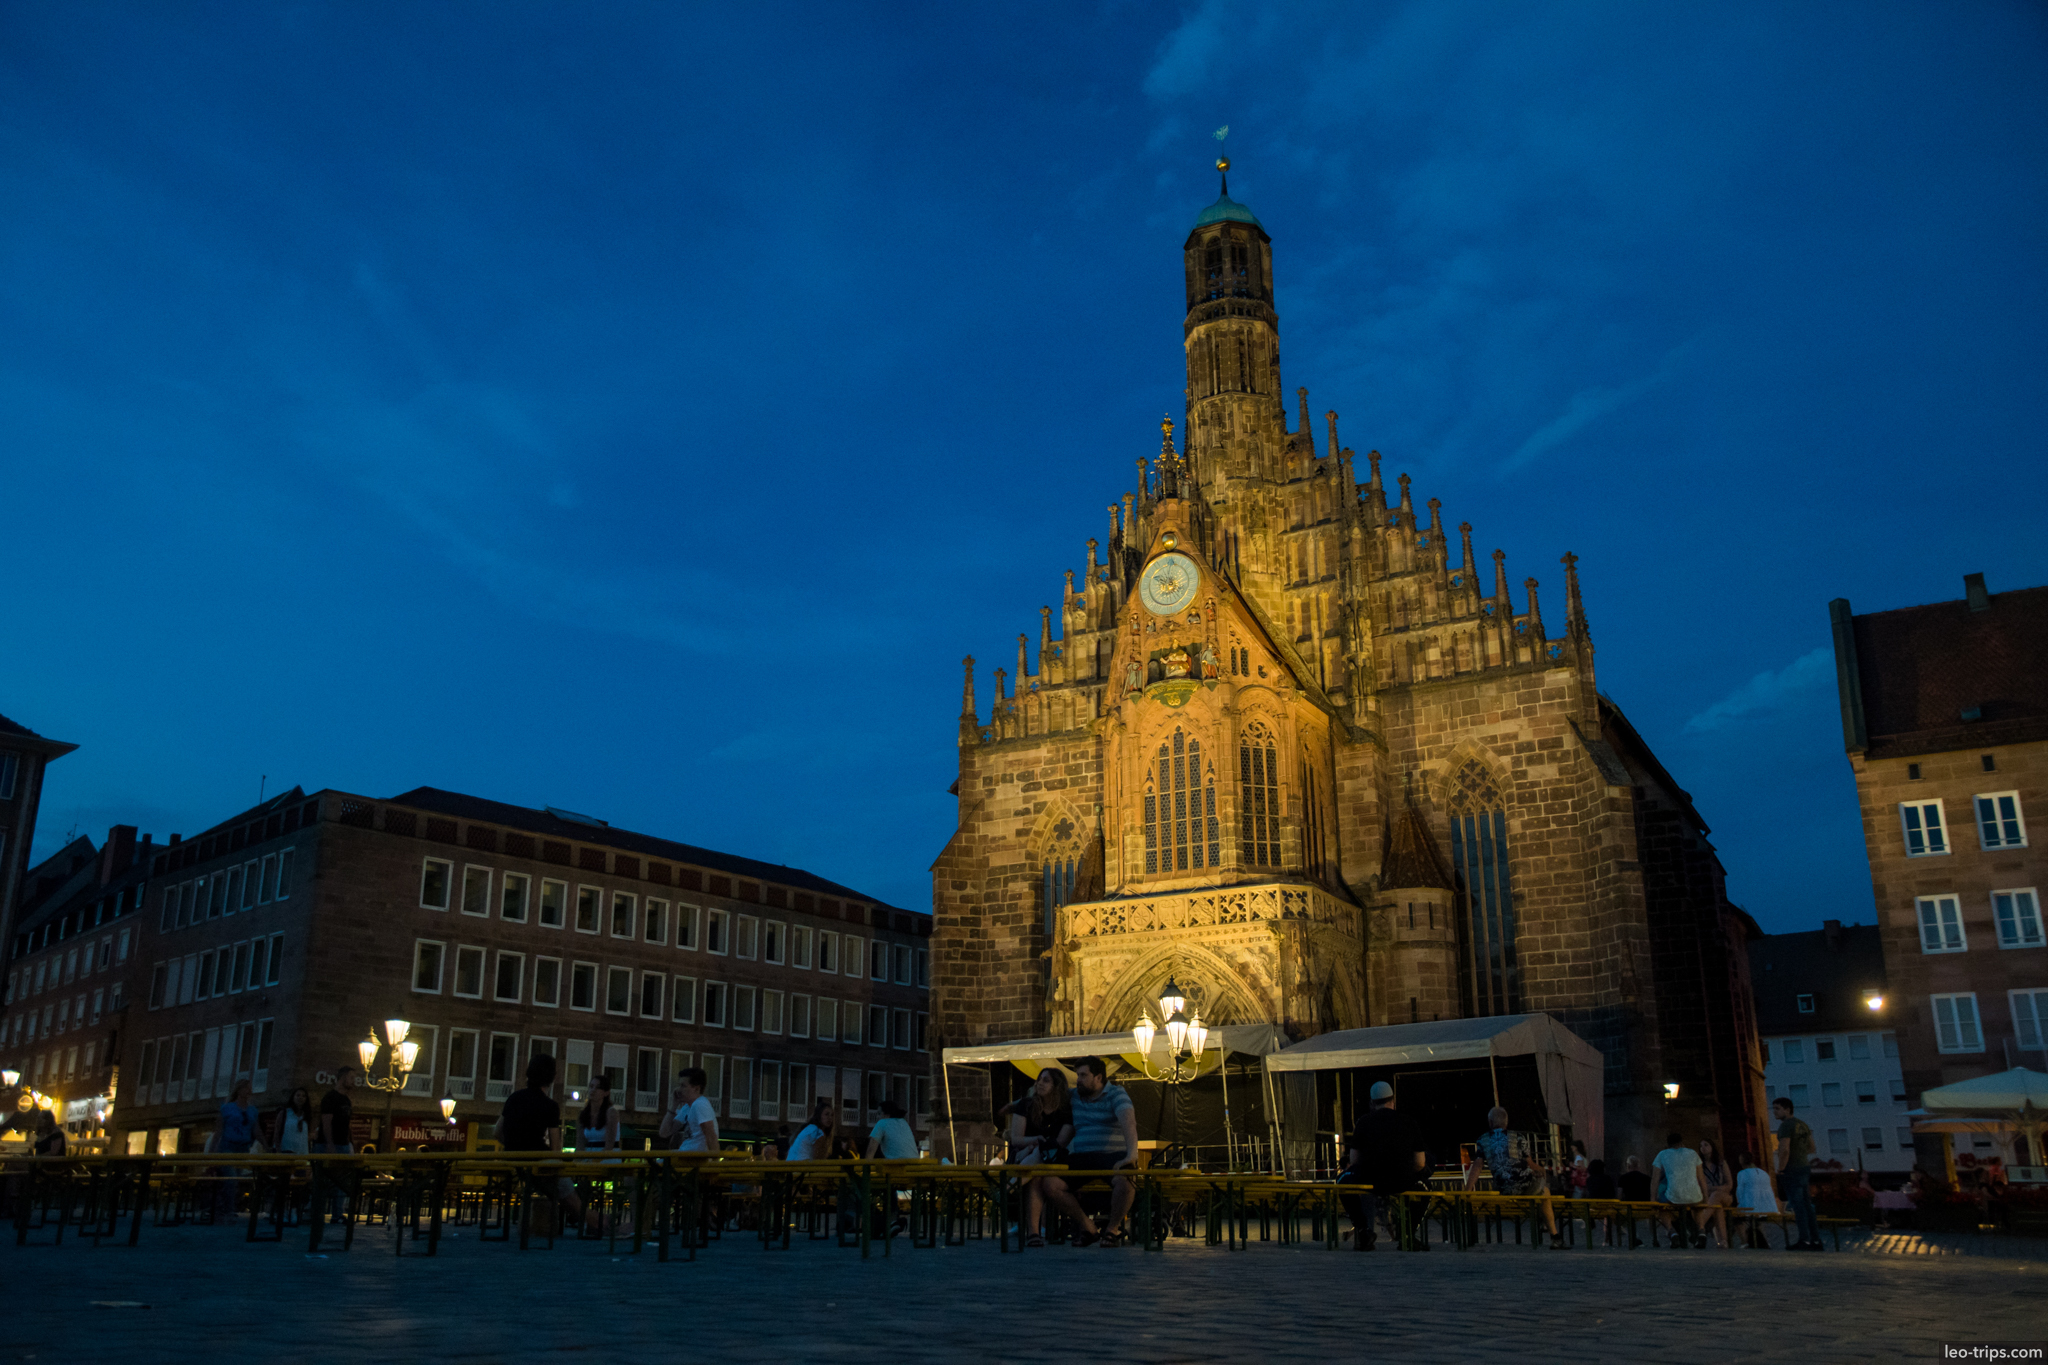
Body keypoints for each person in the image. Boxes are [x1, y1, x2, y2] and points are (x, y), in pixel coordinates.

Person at [1035, 1056, 1139, 1246]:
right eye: (1078, 1075)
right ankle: (1087, 1227)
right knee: (1050, 1184)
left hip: (1111, 1155)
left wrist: (1132, 1154)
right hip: (1081, 1156)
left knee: (1126, 1182)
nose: (1078, 1079)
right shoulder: (1074, 1096)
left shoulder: (1117, 1094)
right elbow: (1043, 1098)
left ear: (1098, 1077)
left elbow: (1129, 1124)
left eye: (1083, 1075)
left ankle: (1112, 1230)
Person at [498, 1052, 583, 1231]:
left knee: (552, 1184)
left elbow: (497, 1131)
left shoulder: (514, 1098)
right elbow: (555, 1147)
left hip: (513, 1160)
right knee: (563, 1185)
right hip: (537, 1161)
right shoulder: (550, 1106)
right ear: (551, 1078)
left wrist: (514, 1144)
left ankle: (582, 1218)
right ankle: (593, 1221)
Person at [1341, 1080, 1428, 1250]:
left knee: (1341, 1183)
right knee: (1426, 1188)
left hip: (1370, 1180)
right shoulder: (1409, 1122)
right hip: (1401, 1180)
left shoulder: (1363, 1122)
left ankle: (1363, 1229)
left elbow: (1354, 1160)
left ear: (1372, 1103)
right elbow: (1420, 1163)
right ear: (1393, 1100)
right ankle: (1408, 1235)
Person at [1464, 1106, 1565, 1247]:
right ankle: (1554, 1235)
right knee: (1544, 1191)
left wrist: (1467, 1190)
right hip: (1524, 1186)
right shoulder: (1518, 1138)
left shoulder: (1482, 1140)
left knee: (1538, 1191)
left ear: (1490, 1122)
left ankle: (1544, 1222)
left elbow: (1477, 1166)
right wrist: (1542, 1170)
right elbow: (1530, 1164)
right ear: (1506, 1122)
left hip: (1503, 1188)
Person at [1011, 1069, 1075, 1248]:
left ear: (1057, 1086)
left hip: (1052, 1158)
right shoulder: (1026, 1105)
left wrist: (1039, 1146)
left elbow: (1061, 1142)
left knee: (1040, 1156)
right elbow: (1015, 1138)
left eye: (1046, 1080)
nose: (1039, 1083)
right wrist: (1035, 1141)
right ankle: (1034, 1232)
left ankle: (1009, 1186)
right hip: (1026, 1156)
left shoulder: (1065, 1111)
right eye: (1039, 1079)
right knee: (1037, 1172)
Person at [1772, 1096, 1822, 1250]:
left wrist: (1781, 1168)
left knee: (1798, 1206)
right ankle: (1815, 1240)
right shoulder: (1803, 1124)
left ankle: (1804, 1240)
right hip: (1804, 1167)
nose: (1774, 1112)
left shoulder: (1786, 1126)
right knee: (1807, 1206)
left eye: (1777, 1109)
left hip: (1792, 1169)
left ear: (1787, 1109)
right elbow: (1812, 1147)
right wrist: (1800, 1153)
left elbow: (1784, 1149)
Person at [315, 1065, 358, 1221]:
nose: (354, 1082)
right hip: (328, 1145)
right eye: (352, 1078)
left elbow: (347, 1124)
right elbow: (326, 1122)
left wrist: (350, 1142)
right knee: (323, 1181)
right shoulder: (330, 1098)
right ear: (343, 1077)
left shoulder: (346, 1100)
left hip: (343, 1144)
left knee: (341, 1181)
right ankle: (316, 1213)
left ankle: (337, 1213)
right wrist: (330, 1144)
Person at [1650, 1132, 1707, 1248]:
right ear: (1682, 1142)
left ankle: (1672, 1232)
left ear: (1668, 1144)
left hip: (1674, 1195)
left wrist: (1652, 1198)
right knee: (1697, 1207)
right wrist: (1705, 1197)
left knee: (1662, 1206)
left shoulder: (1662, 1154)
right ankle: (1701, 1230)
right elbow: (1701, 1178)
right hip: (1694, 1195)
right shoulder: (1693, 1153)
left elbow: (1655, 1179)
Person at [659, 1068, 719, 1153]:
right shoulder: (687, 1107)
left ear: (696, 1089)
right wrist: (674, 1105)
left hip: (692, 1158)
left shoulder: (700, 1104)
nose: (678, 1089)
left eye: (683, 1086)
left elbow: (710, 1134)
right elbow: (664, 1133)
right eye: (679, 1085)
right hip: (687, 1155)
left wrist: (714, 1162)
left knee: (655, 1164)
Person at [1734, 1150, 1778, 1247]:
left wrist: (1739, 1204)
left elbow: (1740, 1191)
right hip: (1768, 1206)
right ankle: (1765, 1241)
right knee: (1759, 1219)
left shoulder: (1742, 1173)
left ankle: (1744, 1241)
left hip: (1751, 1206)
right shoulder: (1763, 1173)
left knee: (1736, 1219)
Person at [1696, 1138, 1735, 1247]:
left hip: (1724, 1196)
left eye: (1706, 1145)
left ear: (1712, 1147)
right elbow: (1700, 1185)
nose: (1703, 1148)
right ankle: (1723, 1241)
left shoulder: (1721, 1163)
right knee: (1718, 1207)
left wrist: (1714, 1188)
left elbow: (1729, 1184)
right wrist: (1716, 1188)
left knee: (1716, 1196)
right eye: (1701, 1146)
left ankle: (1699, 1227)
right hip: (1711, 1198)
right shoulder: (1700, 1166)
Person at [1616, 1154, 1652, 1247]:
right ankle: (1646, 1238)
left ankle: (1633, 1236)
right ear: (1638, 1165)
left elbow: (1619, 1196)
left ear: (1628, 1166)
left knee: (1620, 1218)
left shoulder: (1623, 1178)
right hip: (1645, 1208)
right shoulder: (1647, 1178)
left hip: (1629, 1208)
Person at [272, 1087, 314, 1155]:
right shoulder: (285, 1113)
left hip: (301, 1152)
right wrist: (278, 1150)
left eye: (303, 1096)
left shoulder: (307, 1116)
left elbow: (309, 1133)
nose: (300, 1097)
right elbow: (277, 1132)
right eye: (298, 1095)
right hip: (286, 1150)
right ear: (293, 1097)